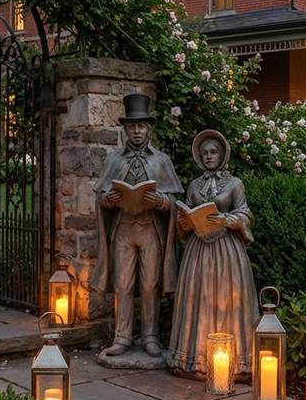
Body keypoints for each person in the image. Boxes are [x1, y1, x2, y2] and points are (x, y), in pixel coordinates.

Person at [92, 93, 183, 358]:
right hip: (123, 229)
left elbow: (175, 199)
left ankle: (150, 336)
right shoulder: (114, 160)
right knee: (122, 284)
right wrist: (108, 199)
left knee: (150, 284)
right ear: (125, 129)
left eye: (141, 126)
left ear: (149, 128)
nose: (136, 131)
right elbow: (100, 196)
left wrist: (162, 202)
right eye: (132, 126)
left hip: (150, 230)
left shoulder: (161, 161)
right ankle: (121, 337)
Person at [168, 130, 259, 379]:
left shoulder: (234, 184)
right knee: (201, 298)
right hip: (198, 251)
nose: (209, 157)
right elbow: (184, 217)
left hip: (227, 251)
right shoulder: (194, 185)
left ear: (222, 154)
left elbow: (246, 214)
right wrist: (186, 221)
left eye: (213, 152)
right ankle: (193, 358)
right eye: (205, 153)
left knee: (228, 299)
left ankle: (235, 361)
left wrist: (227, 219)